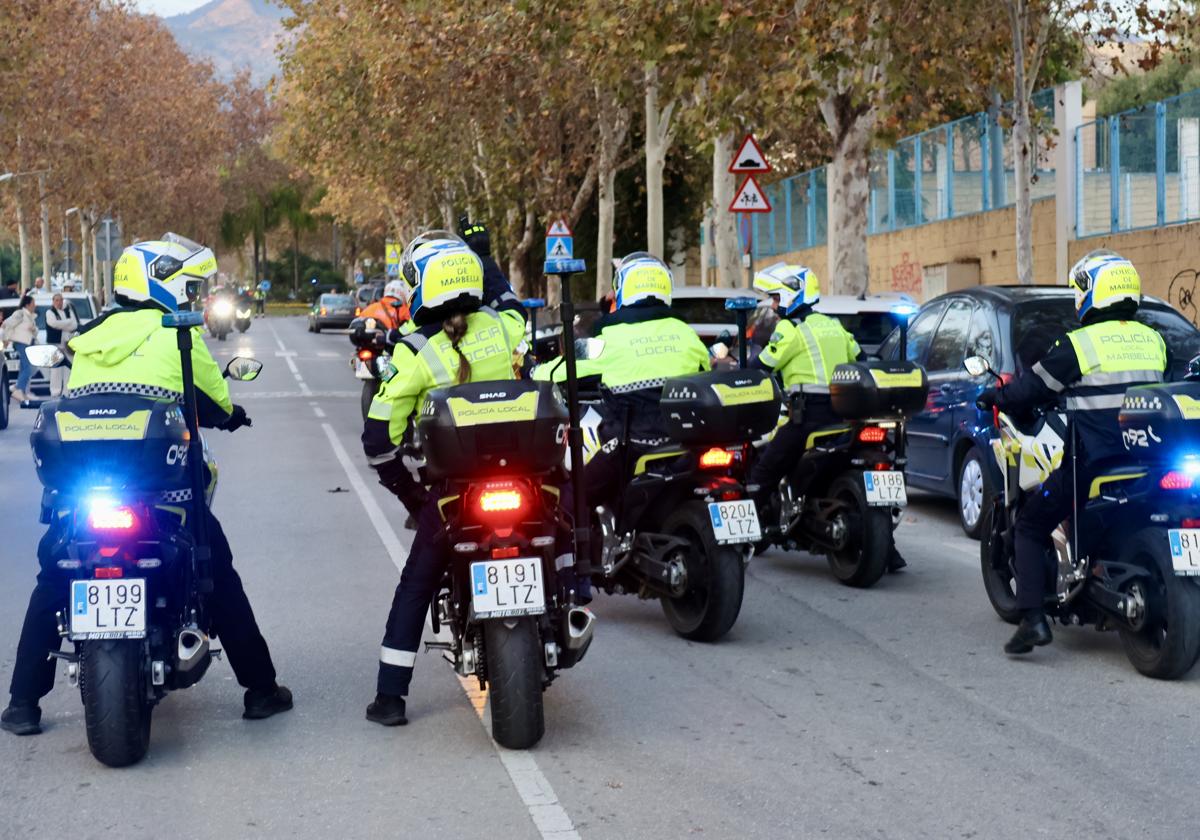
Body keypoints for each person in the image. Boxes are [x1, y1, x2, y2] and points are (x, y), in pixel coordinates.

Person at [0, 235, 292, 736]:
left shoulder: (90, 337)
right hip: (163, 496)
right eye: (189, 285)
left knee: (53, 575)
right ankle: (260, 689)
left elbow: (75, 402)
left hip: (86, 490)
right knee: (215, 569)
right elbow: (217, 404)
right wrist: (232, 416)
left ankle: (23, 702)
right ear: (166, 282)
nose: (194, 297)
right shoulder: (179, 334)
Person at [360, 231, 527, 727]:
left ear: (421, 285)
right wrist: (484, 255)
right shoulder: (504, 327)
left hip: (456, 497)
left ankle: (391, 698)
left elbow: (377, 439)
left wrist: (413, 498)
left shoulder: (415, 351)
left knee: (417, 583)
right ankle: (573, 598)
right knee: (562, 540)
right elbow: (510, 300)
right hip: (527, 482)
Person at [977, 250, 1167, 656]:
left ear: (1094, 292)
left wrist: (997, 395)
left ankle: (1032, 621)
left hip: (1094, 463)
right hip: (1148, 462)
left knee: (1029, 526)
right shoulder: (1154, 340)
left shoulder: (1079, 344)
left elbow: (1034, 389)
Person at [748, 264, 908, 572]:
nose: (773, 305)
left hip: (808, 415)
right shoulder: (834, 325)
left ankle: (740, 538)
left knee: (764, 471)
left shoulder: (790, 329)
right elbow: (860, 359)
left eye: (776, 299)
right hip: (846, 415)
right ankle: (889, 551)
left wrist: (741, 368)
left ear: (791, 297)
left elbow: (763, 365)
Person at [567, 252, 710, 512]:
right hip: (684, 441)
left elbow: (566, 370)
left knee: (572, 498)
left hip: (631, 444)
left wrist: (533, 373)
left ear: (623, 287)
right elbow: (706, 369)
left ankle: (585, 551)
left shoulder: (606, 333)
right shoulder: (685, 331)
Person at [2, 294, 38, 402]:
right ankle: (18, 389)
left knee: (24, 367)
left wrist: (33, 329)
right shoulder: (20, 313)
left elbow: (35, 331)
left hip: (28, 343)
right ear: (27, 305)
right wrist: (6, 338)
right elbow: (7, 324)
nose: (34, 306)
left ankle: (19, 390)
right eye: (33, 304)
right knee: (28, 368)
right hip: (21, 343)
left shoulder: (30, 316)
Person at [44, 292, 77, 397]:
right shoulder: (50, 312)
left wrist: (63, 324)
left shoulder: (67, 311)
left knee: (68, 368)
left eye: (61, 300)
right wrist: (67, 323)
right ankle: (55, 391)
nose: (59, 302)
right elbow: (53, 324)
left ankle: (67, 391)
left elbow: (74, 325)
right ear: (53, 301)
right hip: (55, 344)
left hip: (67, 344)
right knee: (56, 369)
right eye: (57, 300)